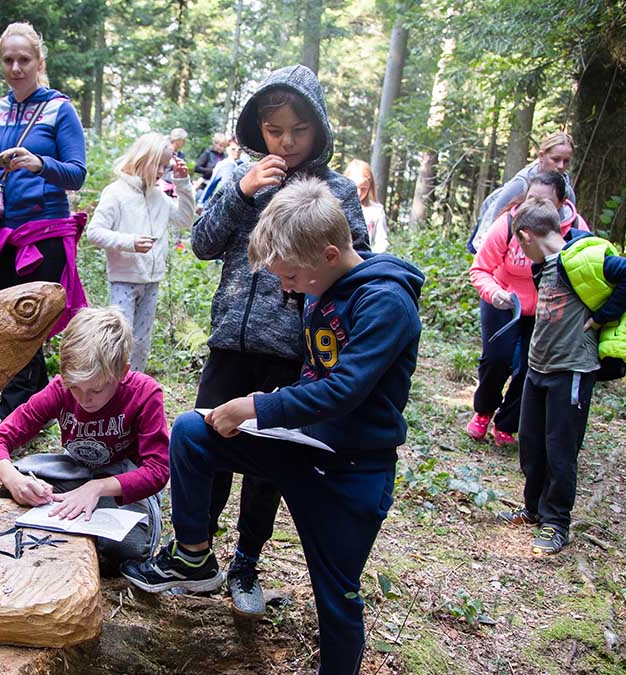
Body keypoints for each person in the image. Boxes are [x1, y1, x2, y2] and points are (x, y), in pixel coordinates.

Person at [123, 177, 422, 675]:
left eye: (292, 279)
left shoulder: (385, 302)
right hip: (301, 447)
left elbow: (343, 390)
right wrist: (252, 416)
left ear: (329, 254)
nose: (286, 288)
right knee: (195, 432)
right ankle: (194, 556)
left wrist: (254, 406)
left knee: (338, 598)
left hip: (352, 470)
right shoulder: (319, 284)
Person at [186, 63, 370, 619]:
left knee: (268, 463)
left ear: (318, 130)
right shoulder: (240, 177)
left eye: (298, 130)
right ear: (256, 131)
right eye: (274, 131)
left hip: (295, 352)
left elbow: (354, 259)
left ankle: (246, 559)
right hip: (230, 342)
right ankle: (192, 553)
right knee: (205, 439)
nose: (286, 142)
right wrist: (240, 193)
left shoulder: (336, 189)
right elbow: (201, 243)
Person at [496, 198, 626, 555]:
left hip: (572, 370)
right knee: (531, 445)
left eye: (519, 243)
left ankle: (556, 523)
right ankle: (533, 509)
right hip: (538, 367)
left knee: (560, 450)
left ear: (526, 235)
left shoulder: (583, 259)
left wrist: (603, 315)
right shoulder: (544, 267)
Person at [0, 307, 170, 573]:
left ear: (122, 372)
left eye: (96, 389)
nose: (84, 398)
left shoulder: (144, 393)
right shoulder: (60, 389)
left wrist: (97, 488)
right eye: (75, 387)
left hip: (120, 486)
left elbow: (158, 471)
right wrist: (14, 480)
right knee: (13, 493)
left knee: (126, 550)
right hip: (75, 474)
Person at [0, 22, 88, 421]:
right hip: (3, 232)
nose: (16, 67)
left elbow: (77, 172)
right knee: (3, 314)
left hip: (45, 232)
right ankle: (34, 399)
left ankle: (14, 409)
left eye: (24, 60)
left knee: (27, 319)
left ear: (39, 61)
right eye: (9, 60)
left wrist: (39, 164)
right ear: (1, 63)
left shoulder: (59, 109)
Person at [466, 172, 590, 446]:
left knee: (530, 368)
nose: (534, 207)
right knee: (497, 358)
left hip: (547, 307)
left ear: (560, 204)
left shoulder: (575, 229)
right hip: (504, 299)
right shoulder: (509, 222)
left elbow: (588, 272)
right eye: (531, 199)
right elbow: (480, 269)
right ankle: (483, 411)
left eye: (544, 201)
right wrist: (495, 292)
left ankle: (507, 425)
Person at [86, 133, 197, 372]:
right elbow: (94, 233)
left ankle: (134, 389)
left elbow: (185, 220)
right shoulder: (115, 193)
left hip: (151, 281)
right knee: (119, 341)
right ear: (142, 159)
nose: (160, 171)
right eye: (157, 164)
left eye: (165, 167)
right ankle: (111, 385)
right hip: (124, 280)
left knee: (141, 342)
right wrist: (130, 242)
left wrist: (183, 184)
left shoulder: (158, 196)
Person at [468, 131, 576, 253]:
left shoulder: (566, 190)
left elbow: (570, 222)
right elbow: (495, 215)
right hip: (512, 248)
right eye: (555, 159)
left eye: (566, 161)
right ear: (541, 156)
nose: (561, 166)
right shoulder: (521, 184)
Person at [342, 159, 388, 253]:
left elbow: (381, 241)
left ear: (370, 186)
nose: (359, 193)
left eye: (363, 188)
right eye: (355, 188)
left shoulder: (376, 210)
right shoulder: (337, 206)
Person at [200, 138, 242, 205]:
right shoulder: (223, 164)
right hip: (224, 202)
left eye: (239, 149)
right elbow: (211, 185)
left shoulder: (244, 166)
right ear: (227, 149)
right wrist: (201, 203)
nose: (237, 151)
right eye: (233, 149)